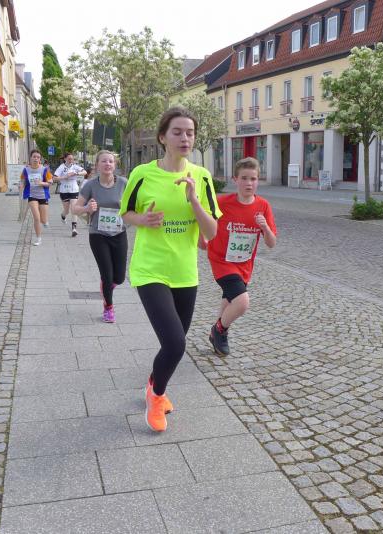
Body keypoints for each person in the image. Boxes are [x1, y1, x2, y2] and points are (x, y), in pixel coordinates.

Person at [120, 106, 221, 432]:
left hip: (184, 272)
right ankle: (156, 396)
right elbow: (126, 214)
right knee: (176, 343)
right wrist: (143, 219)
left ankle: (153, 384)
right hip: (150, 269)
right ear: (163, 137)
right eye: (177, 132)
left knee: (174, 343)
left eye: (189, 132)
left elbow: (211, 233)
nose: (184, 138)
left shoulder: (202, 177)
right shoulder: (142, 174)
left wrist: (194, 201)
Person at [203, 157, 277, 356]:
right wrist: (202, 238)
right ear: (235, 179)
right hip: (221, 260)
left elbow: (271, 243)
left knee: (229, 301)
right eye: (244, 178)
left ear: (258, 180)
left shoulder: (263, 206)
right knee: (242, 302)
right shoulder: (222, 202)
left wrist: (265, 227)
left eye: (253, 179)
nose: (249, 183)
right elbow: (203, 217)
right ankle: (219, 330)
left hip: (244, 264)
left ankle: (216, 335)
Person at [72, 151, 128, 323]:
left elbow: (136, 204)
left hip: (119, 233)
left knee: (120, 277)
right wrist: (87, 208)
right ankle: (108, 307)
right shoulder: (90, 185)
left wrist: (130, 208)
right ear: (97, 165)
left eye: (111, 161)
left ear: (115, 165)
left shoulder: (124, 183)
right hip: (98, 235)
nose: (107, 164)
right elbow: (75, 209)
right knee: (107, 274)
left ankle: (106, 287)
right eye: (104, 161)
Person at [21, 149, 53, 246]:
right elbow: (23, 181)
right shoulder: (26, 170)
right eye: (34, 157)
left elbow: (50, 183)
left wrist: (41, 183)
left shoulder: (44, 169)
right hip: (31, 195)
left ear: (40, 159)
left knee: (43, 220)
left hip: (43, 195)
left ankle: (45, 221)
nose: (36, 159)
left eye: (38, 157)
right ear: (30, 158)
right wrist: (21, 186)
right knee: (36, 217)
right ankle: (38, 238)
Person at [55, 153, 87, 237]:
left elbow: (85, 172)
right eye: (69, 159)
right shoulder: (61, 167)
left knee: (74, 209)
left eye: (72, 159)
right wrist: (65, 177)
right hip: (64, 190)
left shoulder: (75, 166)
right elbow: (55, 178)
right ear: (65, 159)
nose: (71, 160)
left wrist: (76, 173)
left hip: (74, 190)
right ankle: (63, 216)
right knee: (67, 211)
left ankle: (74, 229)